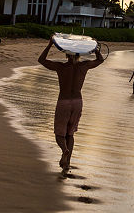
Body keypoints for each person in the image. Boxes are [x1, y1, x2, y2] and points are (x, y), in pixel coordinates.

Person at [38, 37, 104, 173]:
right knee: (70, 134)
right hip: (77, 102)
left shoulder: (61, 67)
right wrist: (96, 48)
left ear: (67, 54)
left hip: (64, 101)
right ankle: (67, 163)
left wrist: (50, 44)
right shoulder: (84, 66)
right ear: (79, 55)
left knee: (59, 134)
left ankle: (64, 150)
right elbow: (100, 60)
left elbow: (41, 60)